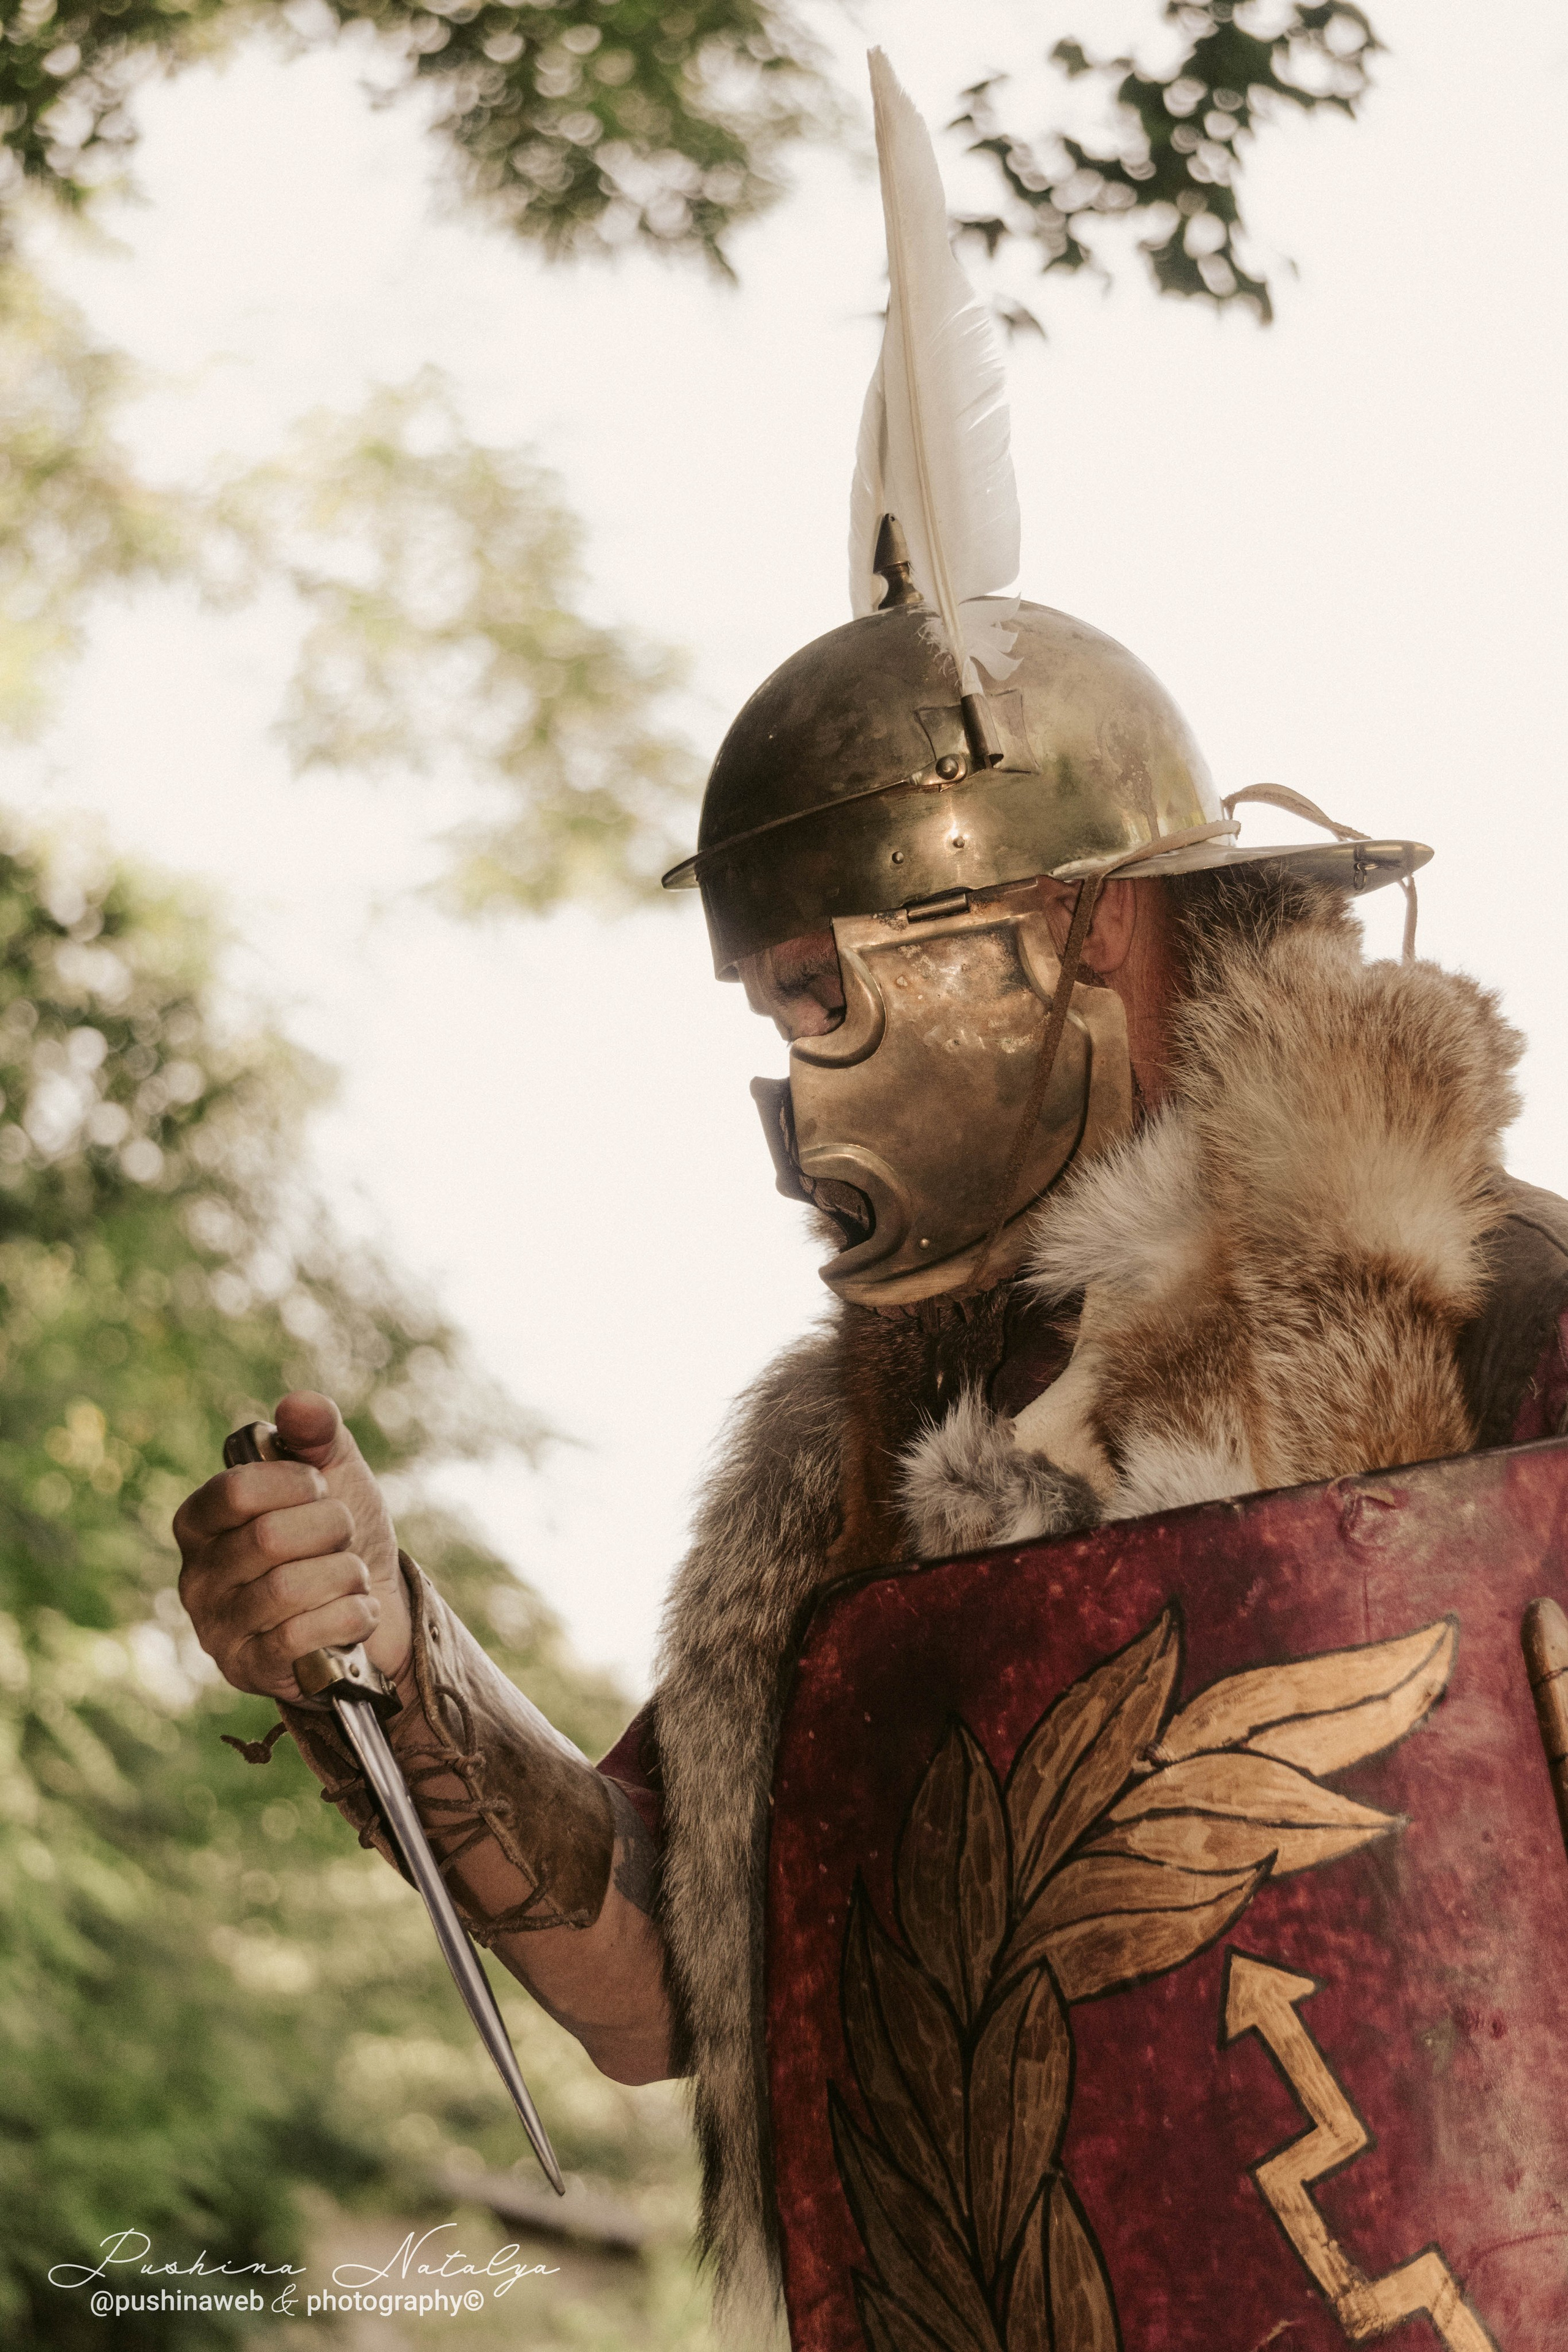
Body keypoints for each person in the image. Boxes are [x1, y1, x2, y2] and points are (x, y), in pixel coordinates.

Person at [174, 53, 1568, 2350]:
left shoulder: (1483, 1308)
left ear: (1070, 932)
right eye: (775, 1006)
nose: (796, 1078)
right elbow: (662, 1987)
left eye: (829, 992)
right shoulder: (836, 1467)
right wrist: (390, 1658)